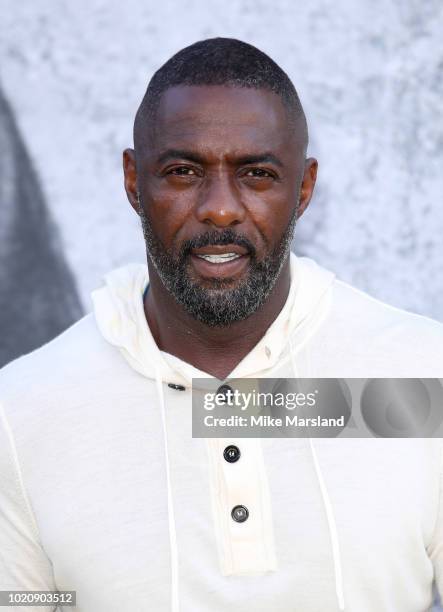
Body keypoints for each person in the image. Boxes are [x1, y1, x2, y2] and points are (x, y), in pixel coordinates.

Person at [0, 37, 442, 612]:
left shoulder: (422, 372)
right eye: (183, 171)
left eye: (256, 174)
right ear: (134, 181)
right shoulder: (21, 413)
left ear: (304, 189)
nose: (220, 208)